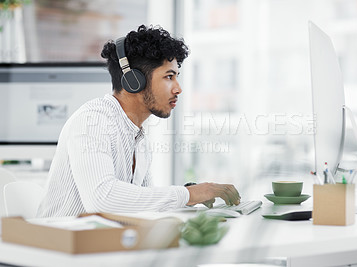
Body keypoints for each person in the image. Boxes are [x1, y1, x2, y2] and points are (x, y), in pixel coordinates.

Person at [37, 25, 240, 218]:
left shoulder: (138, 137)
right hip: (59, 247)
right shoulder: (93, 121)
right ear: (134, 81)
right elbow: (102, 200)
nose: (178, 89)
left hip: (101, 246)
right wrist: (190, 194)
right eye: (169, 77)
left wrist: (189, 197)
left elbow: (142, 206)